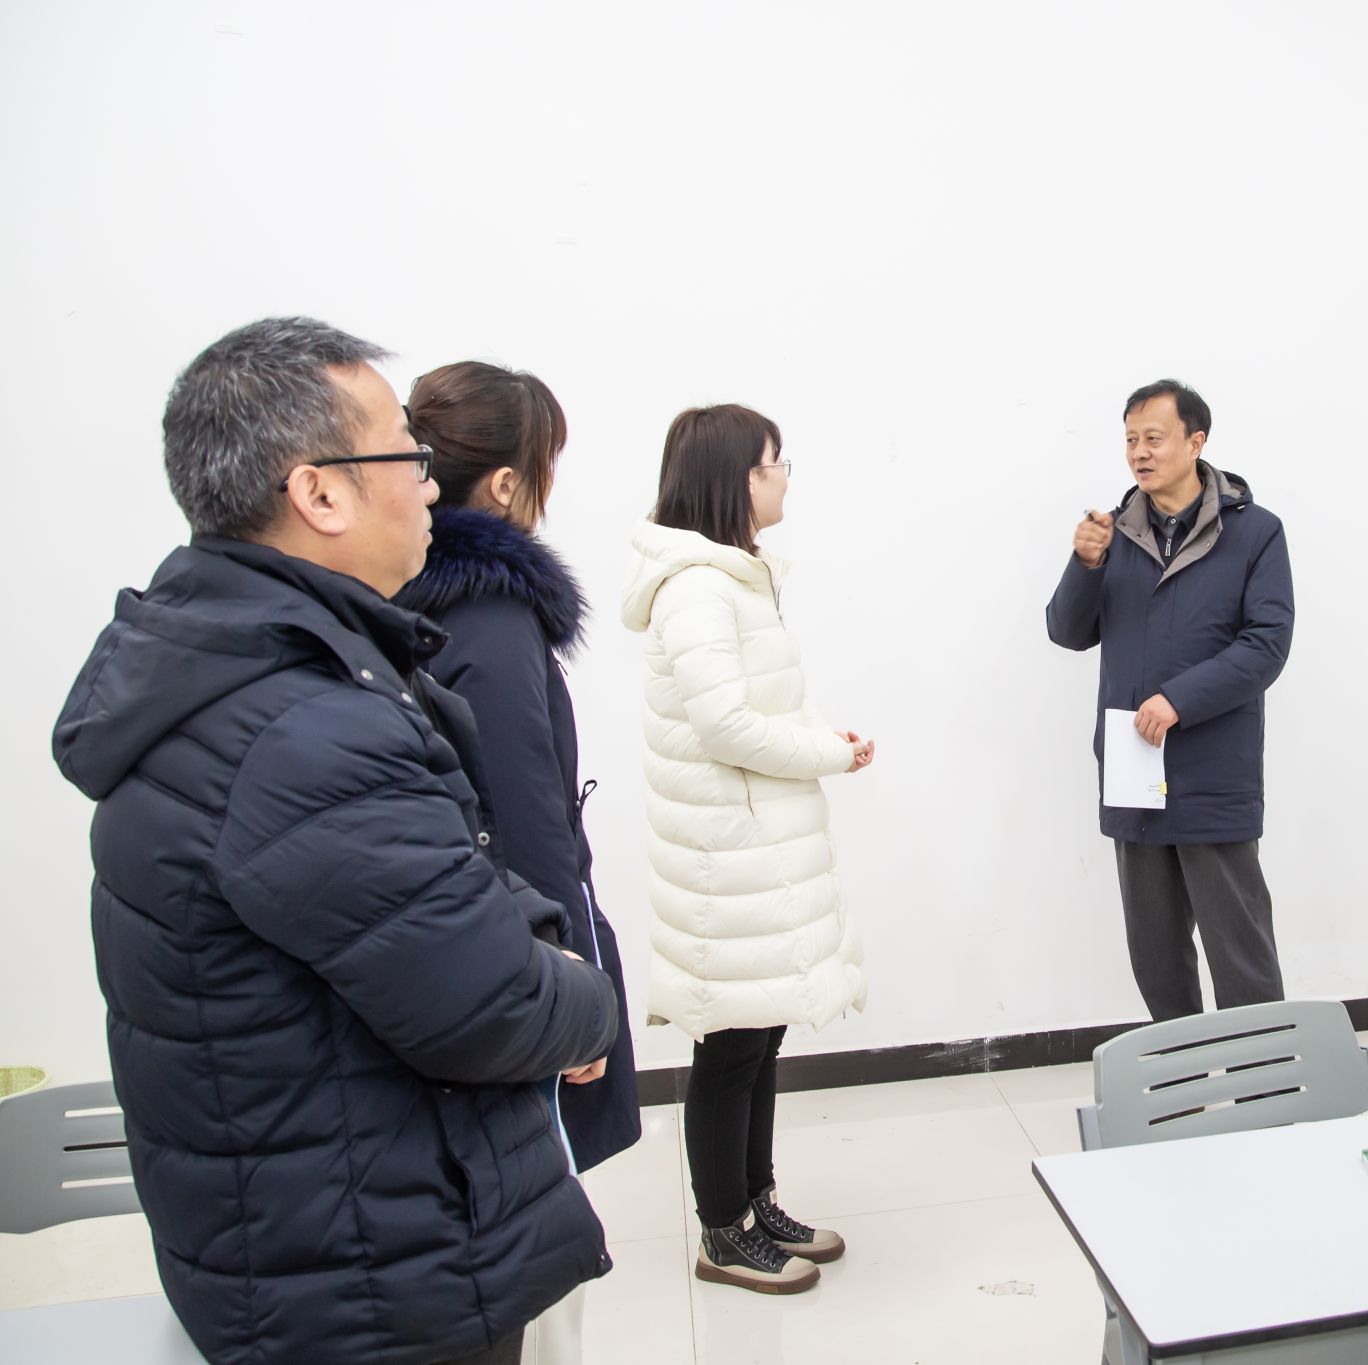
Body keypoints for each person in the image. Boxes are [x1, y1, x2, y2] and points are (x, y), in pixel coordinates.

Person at [50, 318, 619, 1365]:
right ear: (319, 494)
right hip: (373, 1284)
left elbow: (449, 883)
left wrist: (521, 941)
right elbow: (489, 1004)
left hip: (310, 1241)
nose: (430, 485)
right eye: (406, 454)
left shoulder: (241, 666)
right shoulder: (302, 726)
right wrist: (587, 1001)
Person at [394, 361, 643, 1362]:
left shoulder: (403, 598)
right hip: (513, 962)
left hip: (453, 953)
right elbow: (526, 821)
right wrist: (570, 992)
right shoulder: (494, 616)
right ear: (504, 484)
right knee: (538, 1255)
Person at [621, 403, 870, 1295]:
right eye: (774, 462)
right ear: (737, 479)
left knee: (760, 1033)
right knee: (731, 1046)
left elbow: (764, 704)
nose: (784, 476)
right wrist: (826, 753)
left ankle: (758, 1203)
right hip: (724, 860)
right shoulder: (698, 587)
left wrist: (822, 734)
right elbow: (725, 725)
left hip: (753, 849)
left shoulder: (738, 575)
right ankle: (723, 1232)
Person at [1046, 379, 1295, 1023]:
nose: (1139, 452)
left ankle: (1265, 1076)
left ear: (1196, 441)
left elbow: (1266, 645)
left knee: (1239, 948)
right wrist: (1085, 565)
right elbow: (1067, 633)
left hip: (1213, 768)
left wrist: (1179, 700)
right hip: (1134, 766)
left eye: (1153, 438)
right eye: (1131, 439)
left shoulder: (1255, 532)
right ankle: (1179, 1073)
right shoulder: (1113, 533)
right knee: (1155, 951)